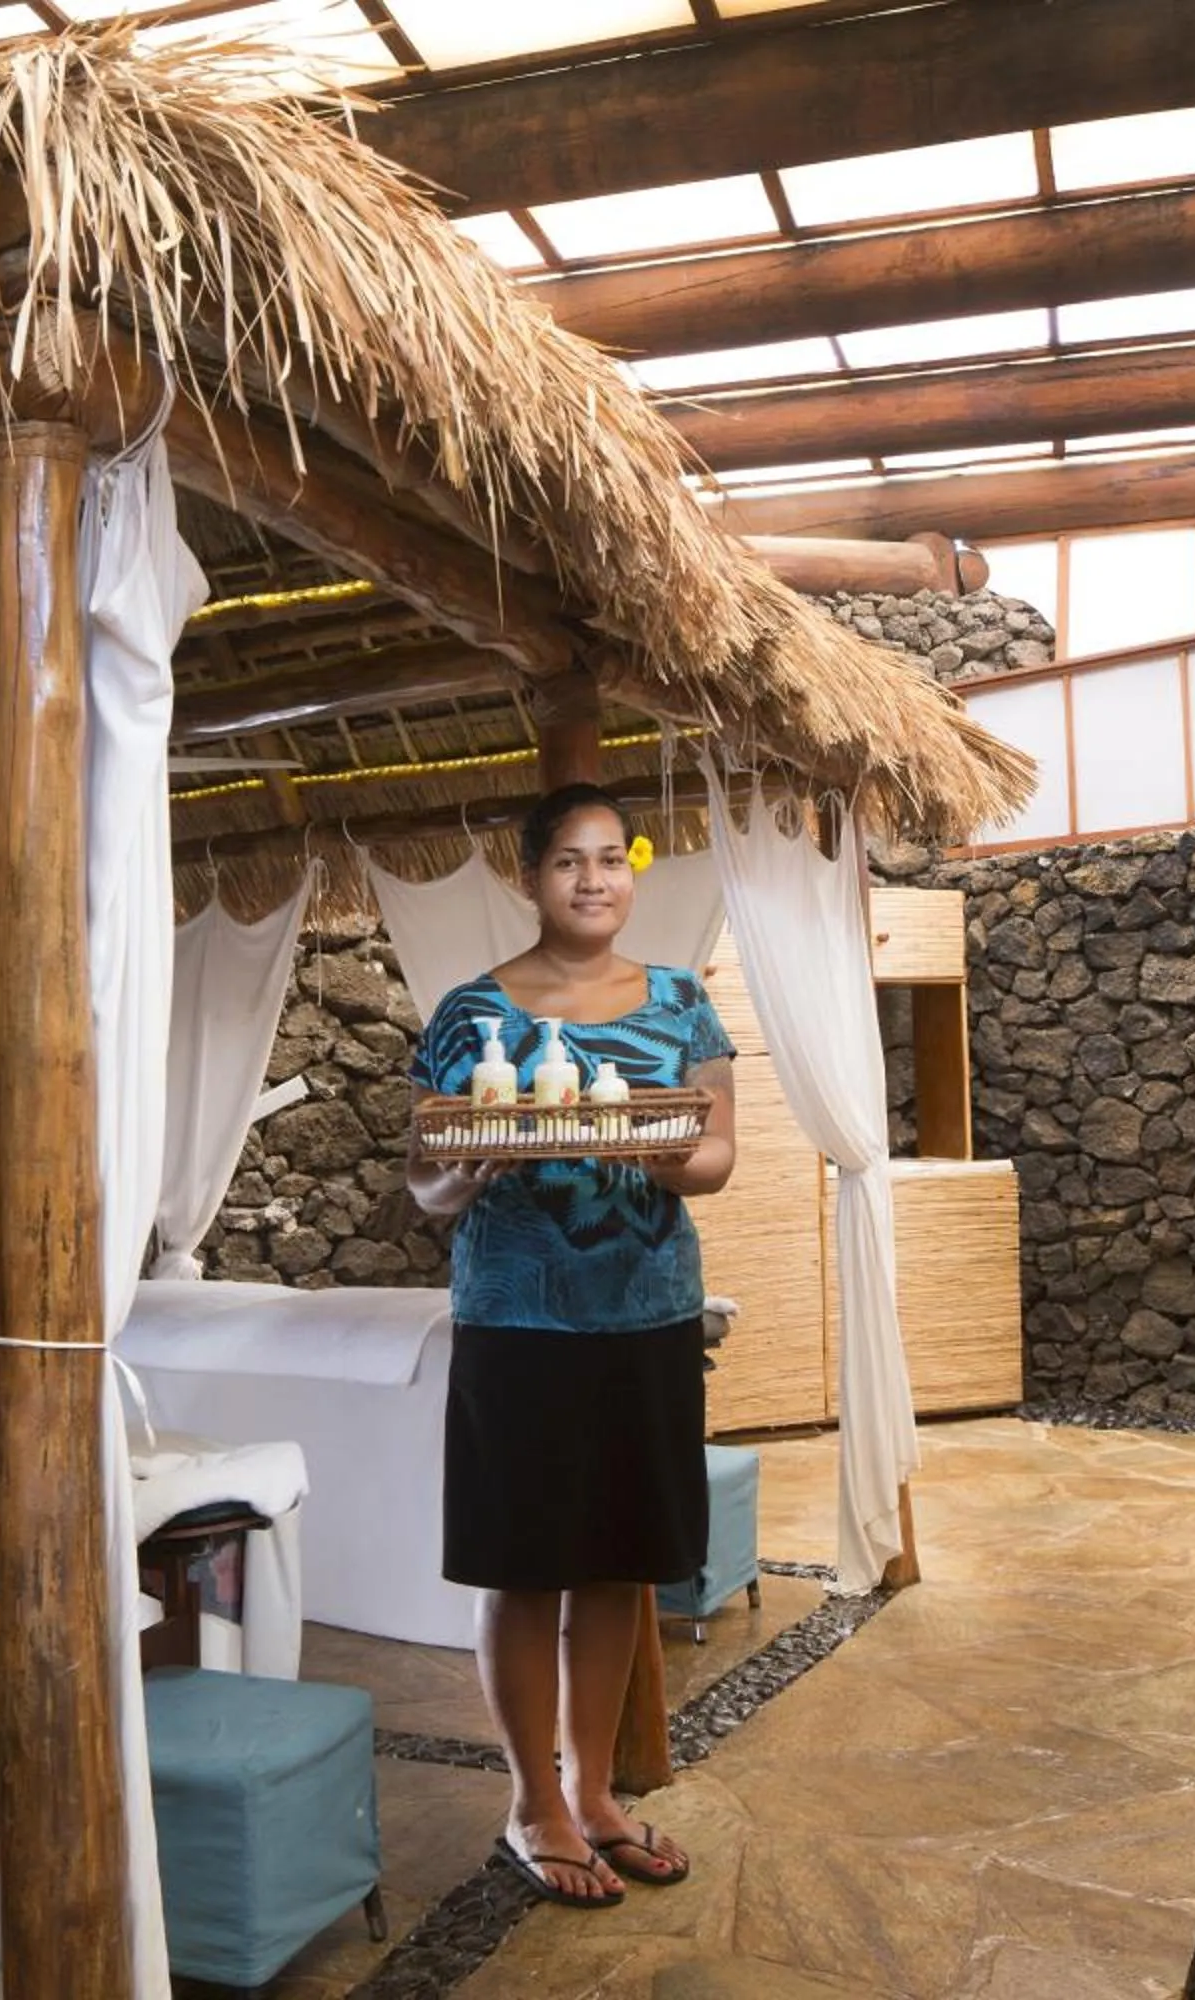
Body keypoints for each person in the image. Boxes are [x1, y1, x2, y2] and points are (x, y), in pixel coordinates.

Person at [403, 781, 739, 1910]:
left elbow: (715, 1156)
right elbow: (429, 1176)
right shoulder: (470, 1014)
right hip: (516, 1318)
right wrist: (473, 1166)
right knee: (525, 1561)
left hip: (646, 1307)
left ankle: (594, 1792)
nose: (595, 880)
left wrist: (652, 1150)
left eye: (611, 858)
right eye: (568, 862)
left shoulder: (683, 1001)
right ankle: (531, 1801)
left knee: (616, 1557)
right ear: (530, 876)